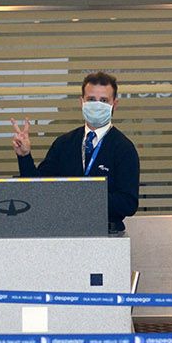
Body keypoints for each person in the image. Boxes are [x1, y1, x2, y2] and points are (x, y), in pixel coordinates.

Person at [11, 71, 140, 233]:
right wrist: (24, 156)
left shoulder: (124, 148)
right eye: (91, 99)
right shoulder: (64, 144)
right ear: (82, 102)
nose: (97, 105)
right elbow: (37, 190)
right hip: (63, 234)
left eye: (104, 100)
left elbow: (128, 203)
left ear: (115, 104)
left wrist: (83, 196)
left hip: (107, 236)